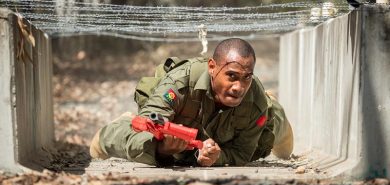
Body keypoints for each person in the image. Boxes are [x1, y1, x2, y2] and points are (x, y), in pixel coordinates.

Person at [90, 38, 293, 167]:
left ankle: (272, 104)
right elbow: (146, 124)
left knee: (270, 127)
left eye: (246, 77)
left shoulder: (254, 99)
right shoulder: (180, 82)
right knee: (133, 138)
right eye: (232, 76)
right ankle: (111, 132)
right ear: (212, 67)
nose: (239, 87)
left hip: (234, 132)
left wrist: (217, 158)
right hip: (174, 130)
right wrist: (162, 149)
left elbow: (242, 152)